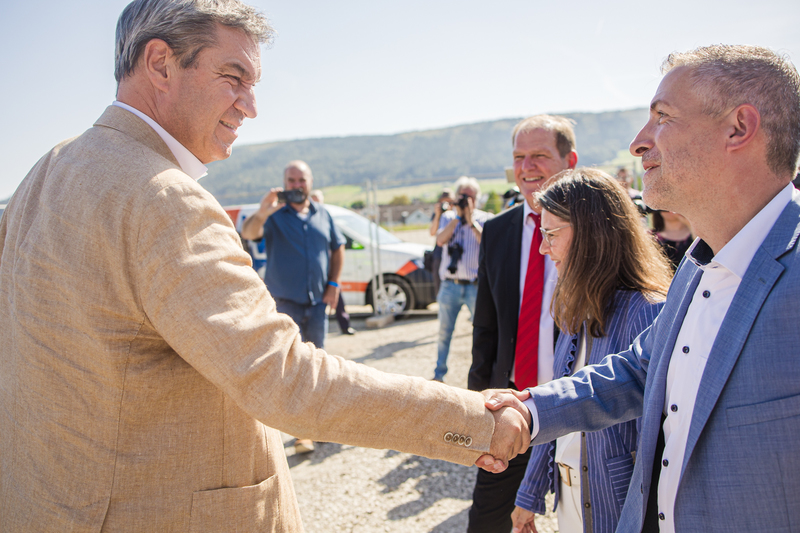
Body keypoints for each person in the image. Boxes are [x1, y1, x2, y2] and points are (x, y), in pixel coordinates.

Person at [0, 1, 532, 529]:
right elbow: (283, 378)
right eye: (234, 77)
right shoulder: (163, 197)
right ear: (160, 63)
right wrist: (473, 422)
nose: (250, 106)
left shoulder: (45, 171)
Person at [503, 45, 800, 533]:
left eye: (662, 117)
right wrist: (530, 411)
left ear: (739, 128)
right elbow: (640, 369)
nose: (639, 142)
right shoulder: (695, 268)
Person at [510, 169, 672, 533]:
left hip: (616, 509)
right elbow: (558, 404)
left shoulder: (650, 311)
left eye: (551, 234)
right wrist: (528, 497)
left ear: (590, 235)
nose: (542, 248)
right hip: (570, 503)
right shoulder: (575, 306)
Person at [467, 114, 578, 532]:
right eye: (519, 157)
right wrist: (476, 405)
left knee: (587, 516)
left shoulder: (596, 229)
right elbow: (487, 327)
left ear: (570, 161)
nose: (527, 167)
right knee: (488, 520)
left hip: (577, 402)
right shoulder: (496, 231)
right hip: (512, 405)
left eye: (539, 156)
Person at [241, 161, 344, 350]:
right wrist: (262, 213)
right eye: (292, 180)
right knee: (288, 359)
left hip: (317, 304)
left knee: (317, 359)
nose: (297, 185)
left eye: (302, 180)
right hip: (284, 305)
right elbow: (248, 233)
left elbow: (338, 247)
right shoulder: (274, 214)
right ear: (284, 183)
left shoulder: (323, 213)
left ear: (311, 182)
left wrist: (334, 283)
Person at [433, 176, 491, 382]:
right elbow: (440, 240)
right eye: (463, 196)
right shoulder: (449, 217)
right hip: (451, 285)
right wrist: (458, 218)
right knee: (444, 333)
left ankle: (480, 375)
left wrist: (470, 220)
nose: (466, 200)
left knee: (482, 333)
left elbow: (487, 244)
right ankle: (439, 375)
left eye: (470, 196)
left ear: (477, 198)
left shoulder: (485, 219)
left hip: (475, 287)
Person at [310, 188, 356, 336]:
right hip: (314, 268)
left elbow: (338, 244)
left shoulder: (325, 217)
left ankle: (344, 325)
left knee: (337, 295)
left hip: (329, 265)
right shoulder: (306, 220)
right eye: (314, 200)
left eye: (319, 201)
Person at [429, 187, 455, 296]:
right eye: (444, 202)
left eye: (450, 202)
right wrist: (438, 215)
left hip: (455, 251)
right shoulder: (438, 215)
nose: (447, 205)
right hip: (439, 253)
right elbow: (432, 232)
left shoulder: (458, 214)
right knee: (439, 281)